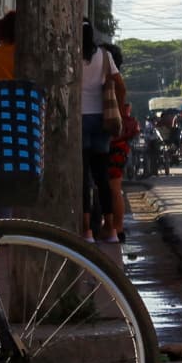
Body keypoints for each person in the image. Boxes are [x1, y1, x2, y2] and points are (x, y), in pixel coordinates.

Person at [80, 22, 122, 237]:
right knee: (102, 177)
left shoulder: (71, 56)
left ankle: (87, 230)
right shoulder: (105, 56)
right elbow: (118, 82)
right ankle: (111, 228)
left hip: (79, 120)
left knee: (83, 178)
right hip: (102, 120)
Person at [102, 43, 134, 240]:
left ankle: (114, 227)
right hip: (119, 139)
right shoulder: (116, 82)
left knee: (111, 186)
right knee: (115, 187)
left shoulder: (110, 82)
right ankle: (117, 228)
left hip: (111, 137)